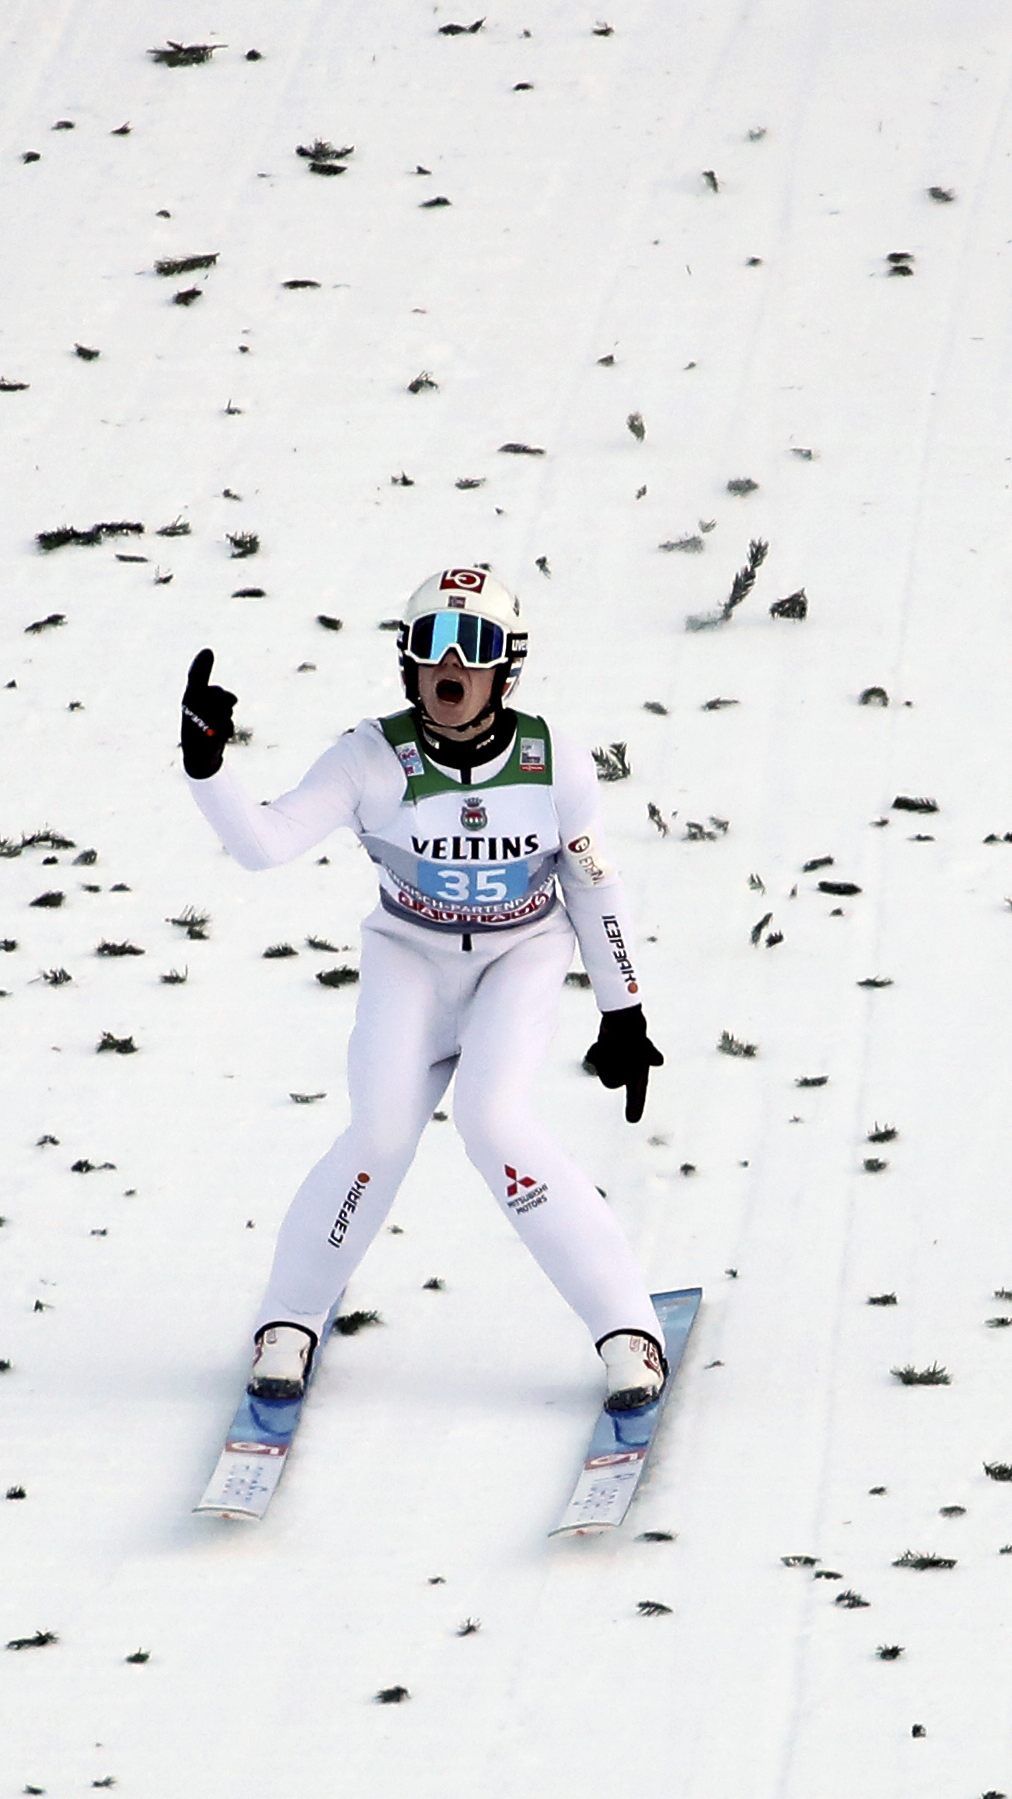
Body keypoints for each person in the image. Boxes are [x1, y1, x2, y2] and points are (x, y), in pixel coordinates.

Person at [182, 566, 666, 1413]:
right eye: (431, 645)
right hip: (409, 958)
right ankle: (290, 1317)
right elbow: (265, 844)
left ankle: (627, 1328)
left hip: (518, 959)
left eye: (473, 648)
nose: (450, 667)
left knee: (494, 1121)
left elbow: (593, 885)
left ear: (505, 668)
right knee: (378, 1135)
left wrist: (623, 1009)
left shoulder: (556, 764)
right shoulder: (369, 756)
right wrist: (208, 767)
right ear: (406, 662)